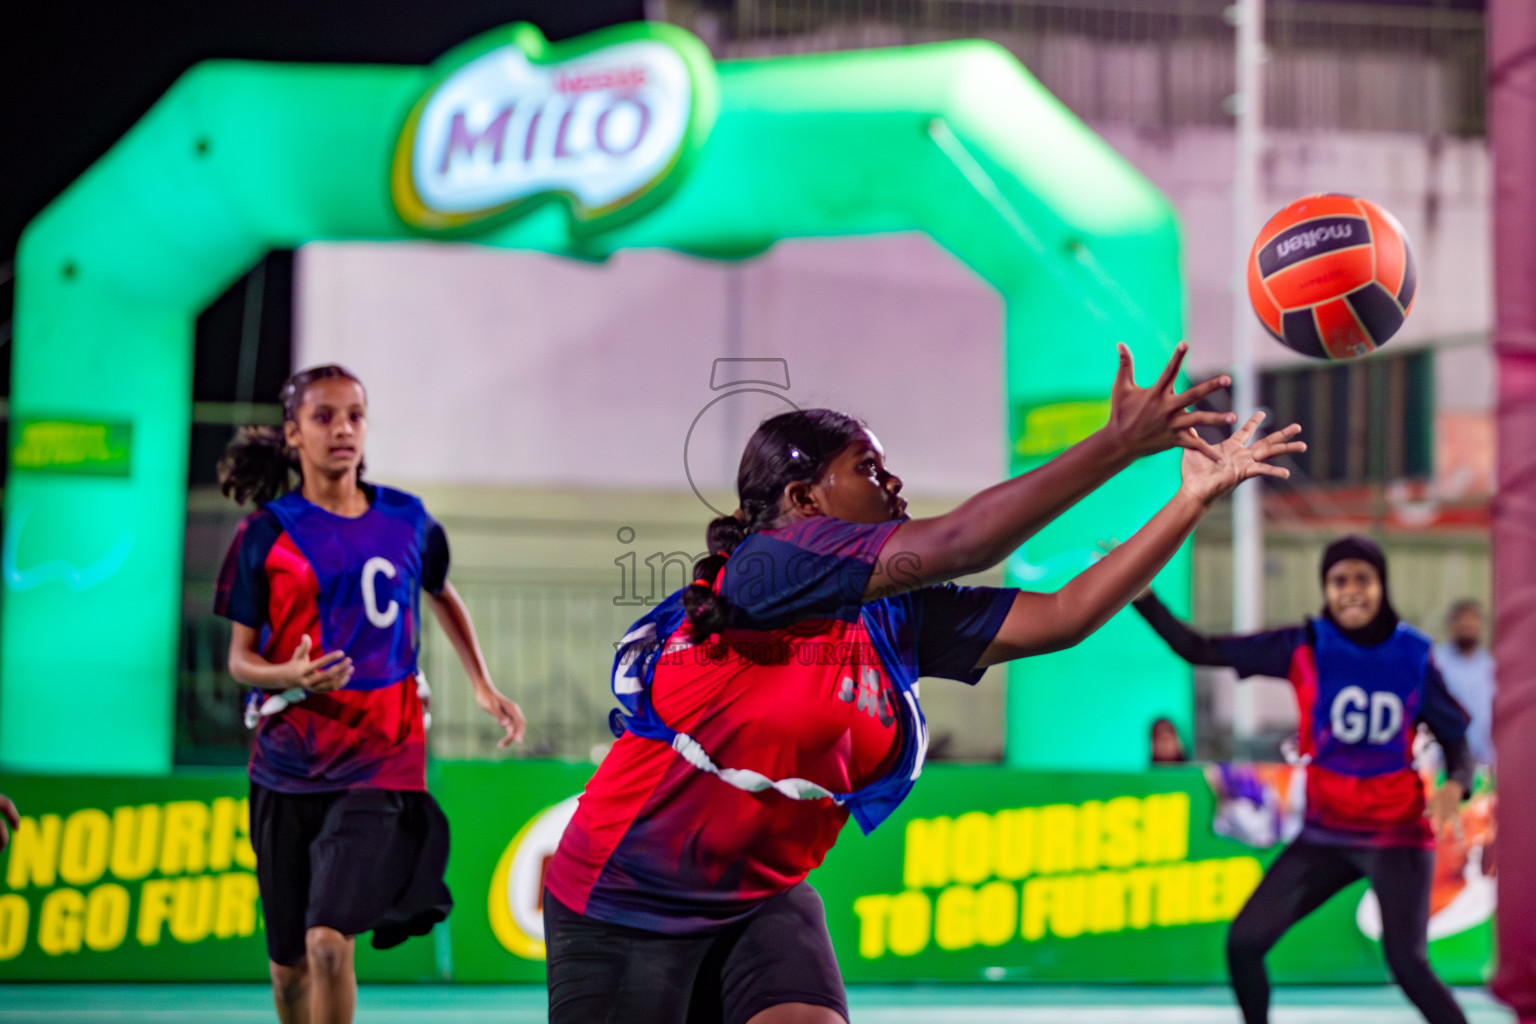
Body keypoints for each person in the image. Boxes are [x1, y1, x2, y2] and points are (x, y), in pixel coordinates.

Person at [543, 342, 1303, 1024]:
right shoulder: (768, 567)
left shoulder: (891, 620)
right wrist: (1116, 445)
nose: (892, 479)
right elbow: (964, 541)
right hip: (625, 900)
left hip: (759, 895)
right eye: (867, 468)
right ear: (804, 501)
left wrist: (1190, 500)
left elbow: (1067, 615)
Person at [214, 364, 526, 1024]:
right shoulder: (264, 534)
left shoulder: (407, 519)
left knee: (330, 943)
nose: (343, 429)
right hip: (288, 763)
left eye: (355, 414)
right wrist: (289, 677)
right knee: (288, 966)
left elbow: (441, 592)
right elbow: (240, 660)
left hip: (381, 757)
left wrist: (482, 683)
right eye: (324, 417)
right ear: (293, 433)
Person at [1132, 535, 1474, 1024]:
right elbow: (1197, 649)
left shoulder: (1414, 656)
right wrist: (1142, 596)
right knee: (1244, 944)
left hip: (1396, 835)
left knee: (1408, 965)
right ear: (1325, 589)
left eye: (1362, 578)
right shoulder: (1304, 645)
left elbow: (1457, 743)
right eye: (1339, 580)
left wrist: (1453, 788)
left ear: (1382, 585)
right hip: (1326, 834)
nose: (1351, 590)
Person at [1434, 599, 1495, 770]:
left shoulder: (1491, 666)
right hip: (1442, 762)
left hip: (1483, 761)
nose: (1468, 624)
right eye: (1462, 619)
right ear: (1451, 624)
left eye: (1473, 619)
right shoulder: (1436, 661)